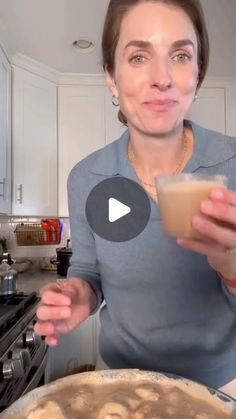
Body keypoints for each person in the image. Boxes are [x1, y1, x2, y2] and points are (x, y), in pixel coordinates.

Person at [35, 0, 236, 396]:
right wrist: (80, 294)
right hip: (121, 384)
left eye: (180, 55)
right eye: (139, 56)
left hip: (224, 384)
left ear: (197, 73)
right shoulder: (86, 178)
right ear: (111, 76)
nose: (162, 78)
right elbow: (90, 273)